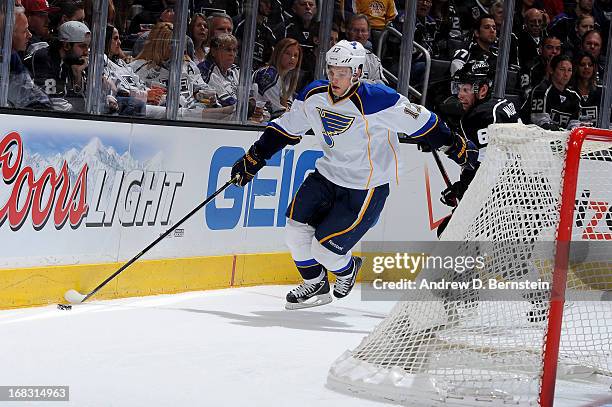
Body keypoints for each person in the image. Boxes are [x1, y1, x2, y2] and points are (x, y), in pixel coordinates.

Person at [230, 40, 478, 309]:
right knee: (294, 231)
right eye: (332, 71)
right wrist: (254, 157)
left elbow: (424, 121)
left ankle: (347, 270)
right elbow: (285, 128)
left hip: (365, 187)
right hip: (326, 176)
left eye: (342, 72)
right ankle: (316, 284)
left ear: (357, 72)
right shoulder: (314, 95)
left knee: (324, 251)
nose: (335, 78)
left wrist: (454, 146)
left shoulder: (378, 100)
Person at [435, 60, 519, 235]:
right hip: (514, 192)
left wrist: (463, 187)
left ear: (482, 90)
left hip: (502, 200)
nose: (460, 95)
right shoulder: (501, 104)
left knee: (449, 233)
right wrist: (462, 185)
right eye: (459, 89)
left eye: (465, 90)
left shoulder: (482, 115)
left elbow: (487, 167)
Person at [521, 54, 582, 130]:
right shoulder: (541, 90)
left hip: (560, 138)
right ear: (551, 70)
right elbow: (540, 123)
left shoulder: (574, 96)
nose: (566, 74)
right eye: (562, 69)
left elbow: (575, 124)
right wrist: (563, 132)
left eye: (569, 70)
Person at [252, 38, 302, 119]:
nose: (292, 58)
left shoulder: (287, 77)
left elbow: (288, 107)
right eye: (287, 53)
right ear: (278, 54)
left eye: (295, 55)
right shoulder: (268, 74)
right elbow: (276, 111)